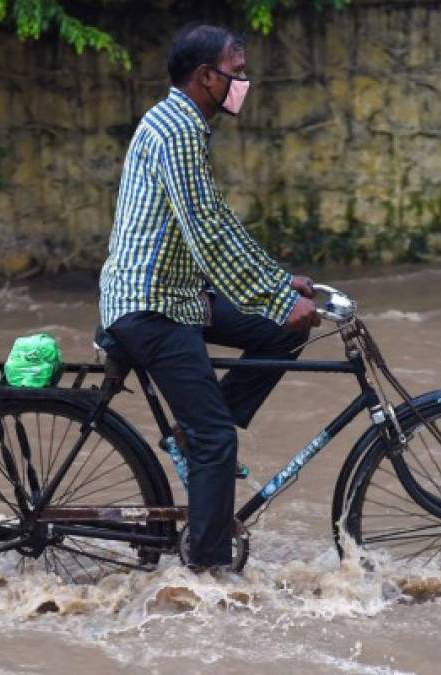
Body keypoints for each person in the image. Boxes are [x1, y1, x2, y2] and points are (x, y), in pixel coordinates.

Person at [98, 24, 320, 573]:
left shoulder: (186, 125)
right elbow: (207, 234)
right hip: (148, 306)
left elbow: (217, 220)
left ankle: (197, 428)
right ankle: (209, 573)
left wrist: (277, 281)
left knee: (283, 331)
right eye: (235, 75)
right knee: (217, 440)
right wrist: (272, 294)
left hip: (177, 297)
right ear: (205, 77)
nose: (242, 83)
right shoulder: (176, 131)